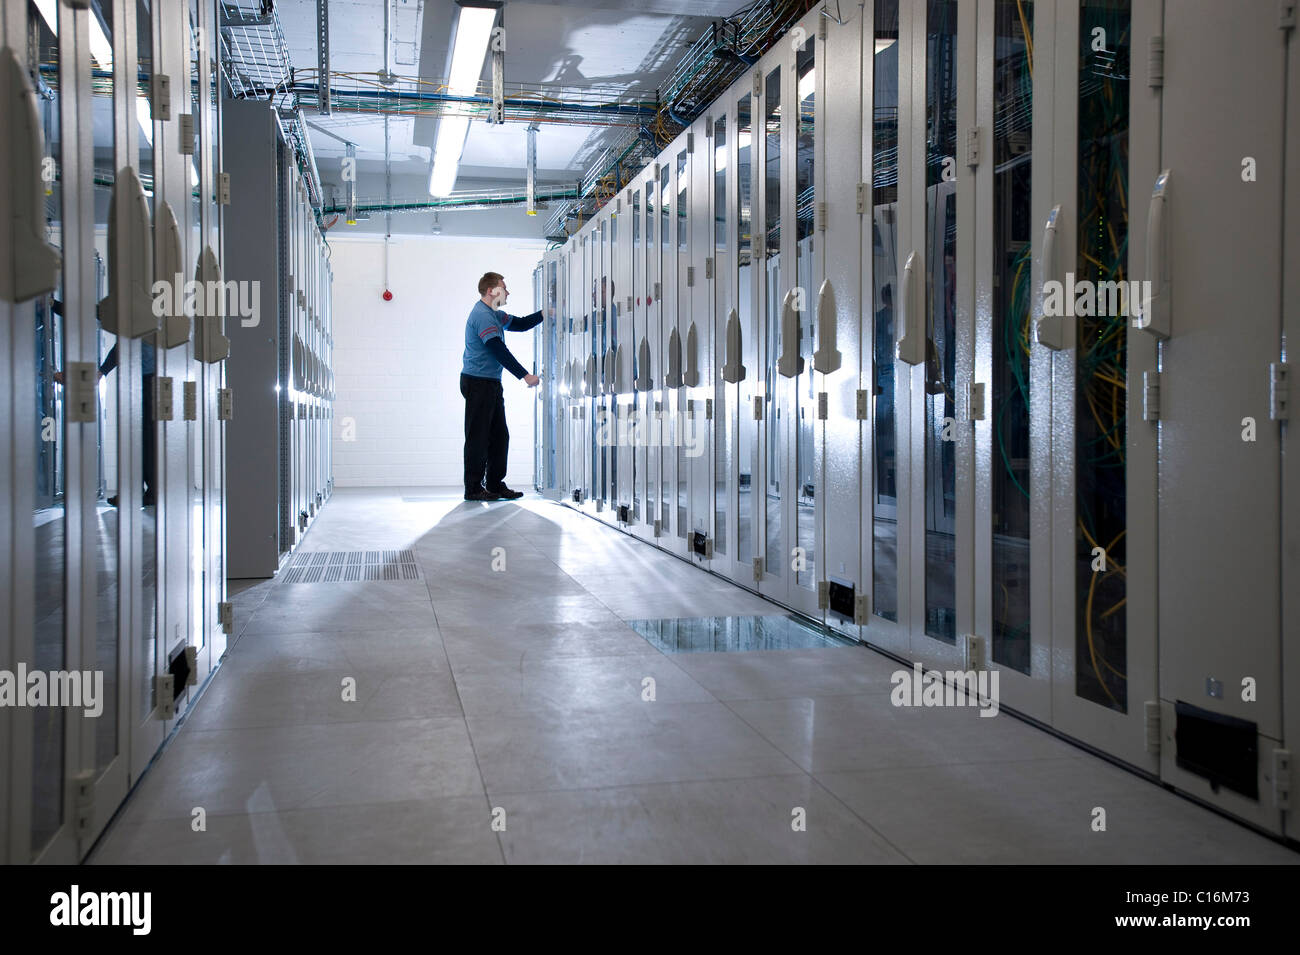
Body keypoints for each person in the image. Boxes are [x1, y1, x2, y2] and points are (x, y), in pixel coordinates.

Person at [461, 271, 542, 501]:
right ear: (491, 291)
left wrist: (545, 314)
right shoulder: (483, 315)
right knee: (478, 436)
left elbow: (522, 324)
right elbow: (498, 350)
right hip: (478, 382)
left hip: (490, 383)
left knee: (499, 436)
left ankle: (495, 484)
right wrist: (525, 375)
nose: (508, 292)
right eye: (503, 287)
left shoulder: (495, 314)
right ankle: (473, 488)